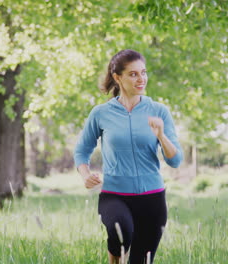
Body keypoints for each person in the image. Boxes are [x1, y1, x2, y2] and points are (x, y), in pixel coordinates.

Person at [74, 49, 183, 264]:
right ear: (118, 78)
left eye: (143, 72)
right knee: (121, 231)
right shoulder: (101, 113)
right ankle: (115, 256)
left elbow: (175, 160)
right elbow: (82, 150)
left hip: (152, 198)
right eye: (133, 74)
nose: (141, 79)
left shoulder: (159, 111)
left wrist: (161, 135)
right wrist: (85, 174)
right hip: (115, 195)